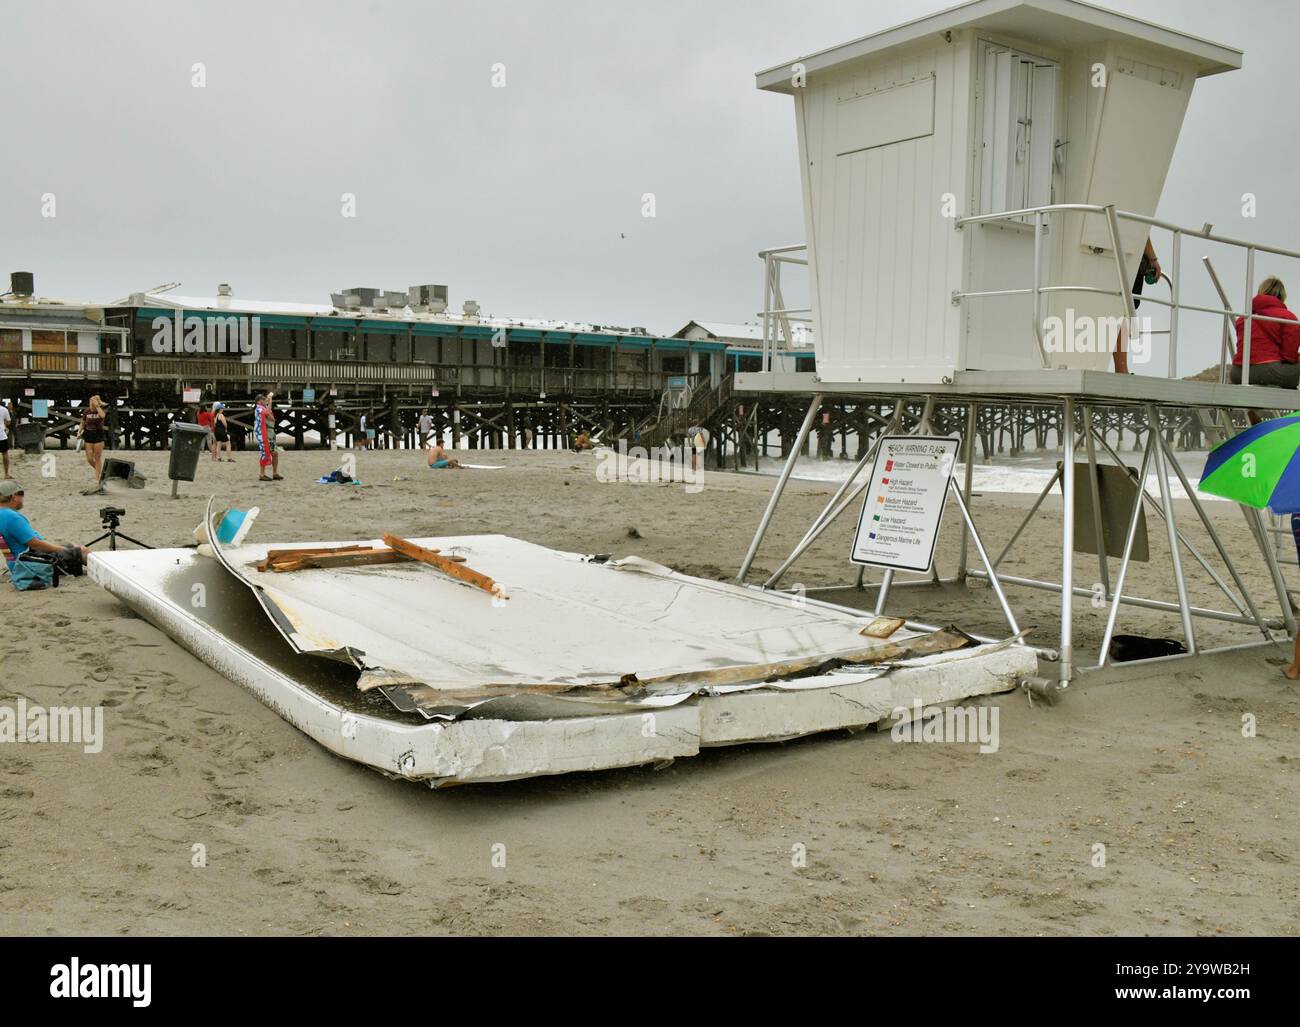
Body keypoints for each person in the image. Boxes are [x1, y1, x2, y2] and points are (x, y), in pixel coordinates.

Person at [0, 480, 90, 573]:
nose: (23, 497)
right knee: (82, 551)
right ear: (12, 496)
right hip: (30, 562)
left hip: (16, 562)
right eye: (20, 493)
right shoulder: (12, 518)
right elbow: (36, 544)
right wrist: (61, 549)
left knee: (73, 546)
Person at [1229, 277, 1300, 388]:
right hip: (1269, 372)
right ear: (1282, 295)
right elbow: (1289, 356)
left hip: (1238, 373)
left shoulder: (1244, 317)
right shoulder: (1287, 317)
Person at [1113, 239, 1161, 375]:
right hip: (1127, 256)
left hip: (1110, 254)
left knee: (1122, 310)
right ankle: (1121, 369)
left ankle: (1121, 369)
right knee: (1124, 310)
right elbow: (1142, 227)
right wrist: (1153, 259)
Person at [78, 395, 108, 483]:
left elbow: (102, 416)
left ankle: (97, 477)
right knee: (89, 458)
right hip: (88, 434)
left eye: (92, 403)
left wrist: (97, 406)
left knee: (97, 457)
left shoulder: (100, 410)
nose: (91, 404)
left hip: (98, 434)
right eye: (90, 402)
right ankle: (101, 472)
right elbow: (83, 423)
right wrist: (79, 431)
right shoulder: (86, 411)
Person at [253, 393, 282, 482]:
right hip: (266, 432)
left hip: (271, 432)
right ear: (259, 401)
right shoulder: (259, 409)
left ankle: (275, 473)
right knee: (265, 452)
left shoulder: (262, 408)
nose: (266, 401)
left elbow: (271, 416)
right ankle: (262, 474)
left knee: (275, 453)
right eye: (264, 400)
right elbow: (269, 414)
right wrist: (270, 400)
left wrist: (269, 401)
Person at [0, 398, 11, 479]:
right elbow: (8, 422)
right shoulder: (4, 409)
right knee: (5, 453)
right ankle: (6, 474)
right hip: (1, 435)